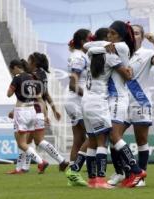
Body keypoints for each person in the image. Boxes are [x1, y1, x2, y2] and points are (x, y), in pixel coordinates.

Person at [80, 27, 133, 188]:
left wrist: (101, 45)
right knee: (102, 142)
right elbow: (128, 75)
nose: (110, 39)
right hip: (99, 102)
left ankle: (92, 179)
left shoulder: (89, 56)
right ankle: (102, 180)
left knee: (92, 142)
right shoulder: (110, 56)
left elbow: (87, 47)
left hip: (85, 101)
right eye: (108, 36)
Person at [122, 24, 154, 186]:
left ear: (142, 37)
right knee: (114, 137)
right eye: (131, 33)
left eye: (136, 33)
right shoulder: (121, 52)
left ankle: (140, 176)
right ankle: (125, 172)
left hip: (139, 100)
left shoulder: (147, 53)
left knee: (141, 139)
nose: (133, 36)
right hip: (121, 102)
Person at [7, 59, 48, 174]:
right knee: (25, 142)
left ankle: (41, 162)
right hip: (32, 110)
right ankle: (19, 168)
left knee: (21, 142)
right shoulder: (32, 77)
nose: (12, 73)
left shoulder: (17, 77)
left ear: (15, 67)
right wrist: (45, 115)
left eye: (12, 71)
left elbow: (9, 94)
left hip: (22, 111)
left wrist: (13, 86)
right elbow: (39, 98)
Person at [64, 28, 92, 186]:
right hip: (77, 101)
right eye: (90, 38)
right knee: (93, 136)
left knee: (78, 140)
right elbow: (73, 84)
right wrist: (89, 97)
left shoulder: (80, 56)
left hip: (75, 101)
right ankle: (74, 171)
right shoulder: (79, 57)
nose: (93, 40)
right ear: (83, 41)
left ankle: (72, 176)